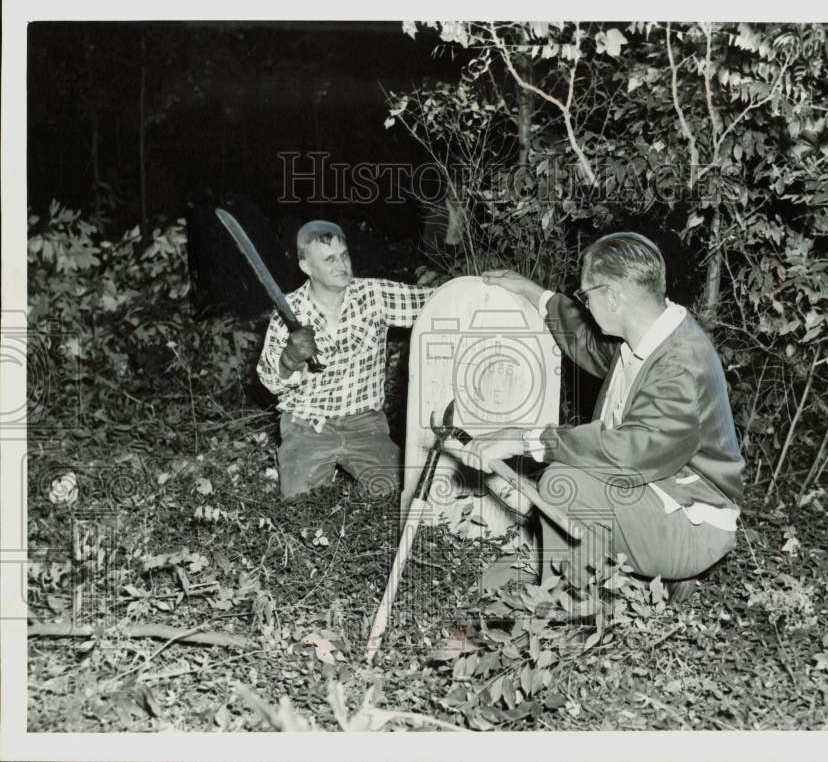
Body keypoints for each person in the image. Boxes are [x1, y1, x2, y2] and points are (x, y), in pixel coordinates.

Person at [454, 232, 744, 605]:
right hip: (659, 497)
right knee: (567, 479)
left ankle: (564, 614)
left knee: (565, 482)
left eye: (587, 295)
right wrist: (533, 293)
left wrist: (529, 438)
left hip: (692, 523)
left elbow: (633, 453)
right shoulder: (647, 334)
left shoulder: (680, 366)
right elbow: (588, 341)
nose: (586, 305)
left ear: (613, 296)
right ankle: (628, 582)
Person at [257, 220, 436, 499]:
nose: (341, 265)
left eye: (344, 255)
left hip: (366, 425)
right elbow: (270, 382)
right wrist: (290, 358)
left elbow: (435, 302)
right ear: (307, 267)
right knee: (297, 505)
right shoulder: (289, 310)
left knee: (400, 496)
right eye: (329, 259)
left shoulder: (374, 295)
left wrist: (482, 284)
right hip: (307, 426)